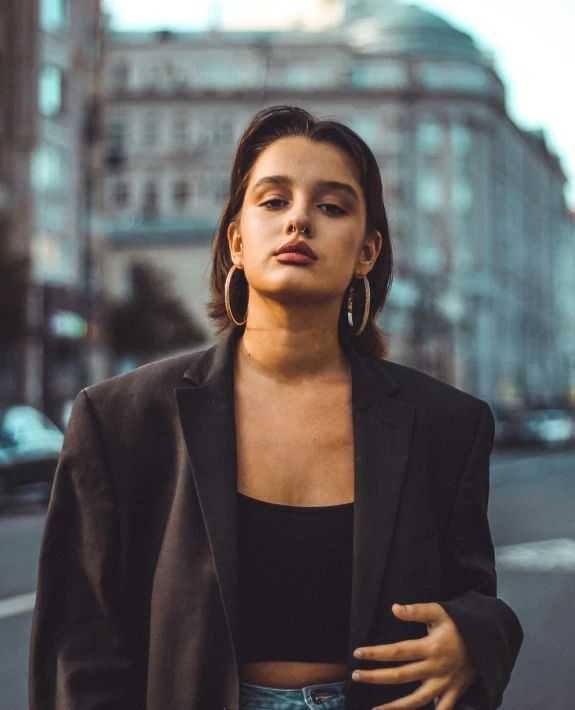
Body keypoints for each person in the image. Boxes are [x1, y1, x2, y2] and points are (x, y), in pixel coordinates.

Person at [29, 105, 523, 710]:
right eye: (273, 201)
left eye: (332, 206)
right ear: (237, 239)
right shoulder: (122, 420)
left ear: (367, 252)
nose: (299, 220)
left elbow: (474, 597)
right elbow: (77, 646)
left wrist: (474, 639)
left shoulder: (447, 425)